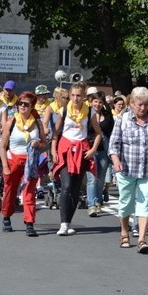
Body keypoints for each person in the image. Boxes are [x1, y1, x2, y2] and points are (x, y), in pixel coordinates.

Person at [109, 86, 148, 254]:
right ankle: (124, 232)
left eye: (146, 104)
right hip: (127, 169)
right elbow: (114, 144)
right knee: (126, 203)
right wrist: (116, 160)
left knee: (145, 204)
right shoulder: (123, 119)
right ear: (132, 103)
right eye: (139, 104)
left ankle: (142, 239)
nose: (142, 108)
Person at [51, 82, 102, 236]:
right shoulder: (64, 110)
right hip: (65, 150)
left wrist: (93, 150)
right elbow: (55, 133)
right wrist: (54, 151)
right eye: (72, 95)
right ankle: (63, 224)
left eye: (78, 95)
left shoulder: (90, 111)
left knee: (75, 188)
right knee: (66, 186)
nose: (75, 98)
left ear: (84, 97)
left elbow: (98, 133)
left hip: (81, 150)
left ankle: (68, 222)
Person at [0, 91, 48, 236]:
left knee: (29, 193)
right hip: (13, 160)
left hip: (30, 162)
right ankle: (6, 216)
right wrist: (5, 167)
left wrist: (38, 144)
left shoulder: (37, 123)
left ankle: (29, 223)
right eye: (20, 103)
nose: (22, 106)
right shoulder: (11, 121)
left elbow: (45, 144)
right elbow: (2, 146)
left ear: (32, 106)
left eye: (26, 104)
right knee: (10, 190)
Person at [86, 91, 114, 217]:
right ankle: (91, 205)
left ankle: (97, 200)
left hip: (103, 150)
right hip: (90, 150)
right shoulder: (86, 114)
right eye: (95, 102)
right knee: (91, 179)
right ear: (91, 102)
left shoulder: (108, 116)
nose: (97, 104)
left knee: (100, 179)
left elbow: (113, 133)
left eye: (100, 102)